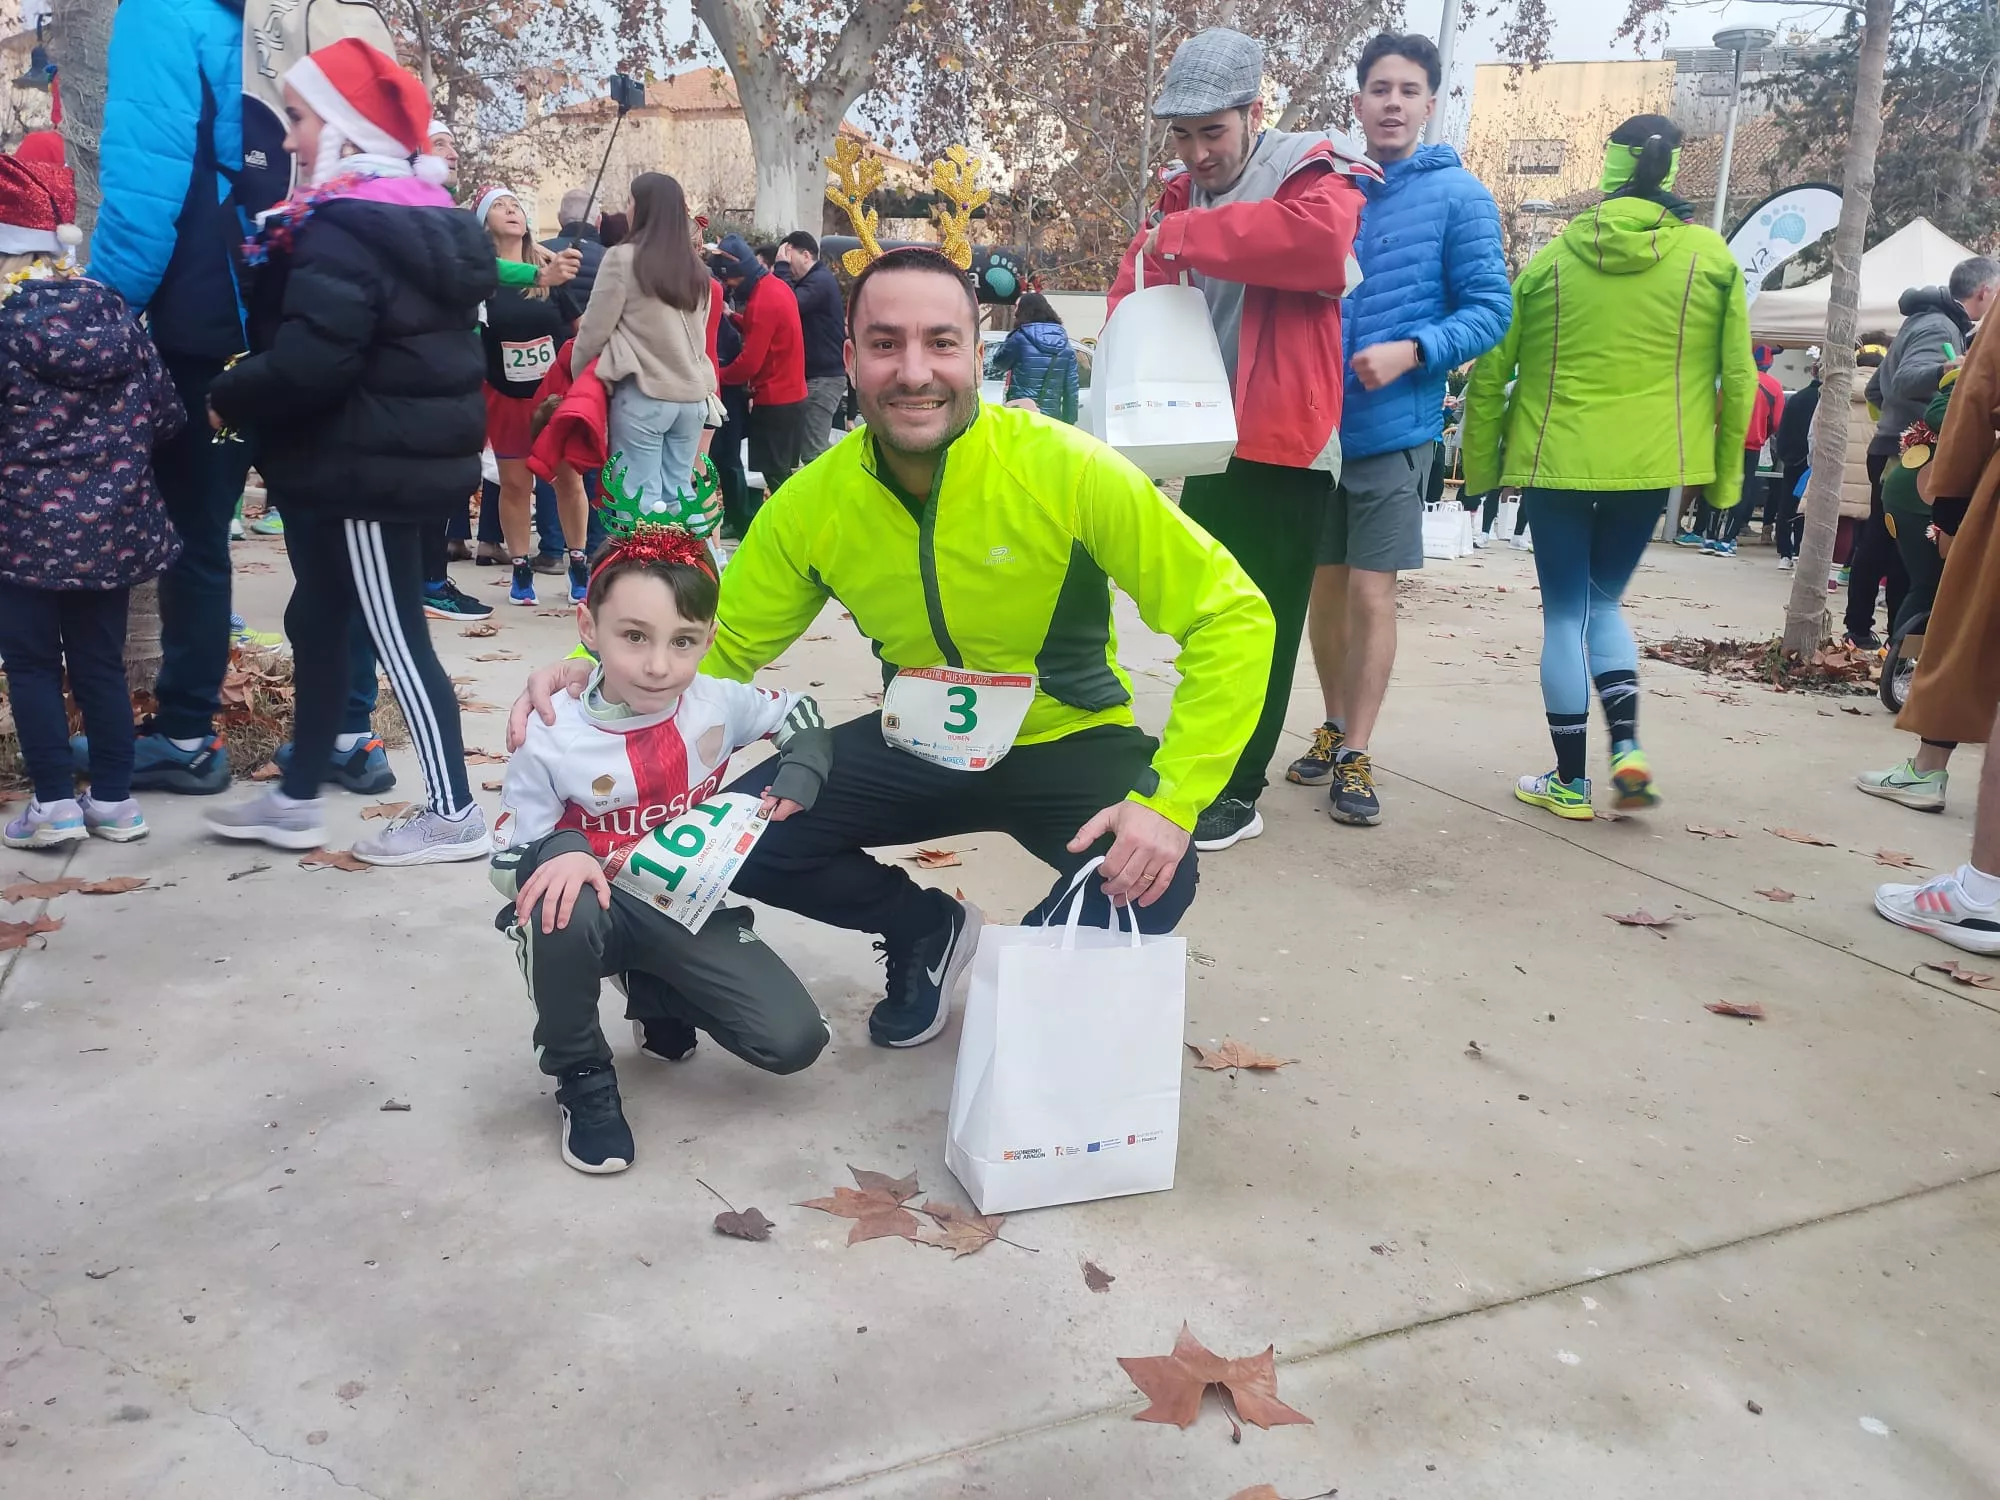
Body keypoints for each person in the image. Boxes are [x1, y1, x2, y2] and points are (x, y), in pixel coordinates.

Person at [512, 248, 1275, 1050]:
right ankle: (925, 930)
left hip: (1067, 738)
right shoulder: (815, 500)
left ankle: (1033, 988)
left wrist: (1171, 799)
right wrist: (603, 681)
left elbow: (1231, 616)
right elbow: (721, 640)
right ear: (850, 359)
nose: (915, 371)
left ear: (977, 355)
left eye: (941, 343)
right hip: (918, 741)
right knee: (732, 841)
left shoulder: (1068, 468)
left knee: (1153, 875)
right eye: (885, 344)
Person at [201, 38, 493, 865]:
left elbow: (315, 360)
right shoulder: (408, 217)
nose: (288, 139)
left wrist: (230, 391)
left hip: (369, 465)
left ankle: (454, 812)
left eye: (297, 118)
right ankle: (298, 797)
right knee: (319, 619)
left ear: (338, 125)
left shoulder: (342, 228)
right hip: (377, 456)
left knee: (394, 632)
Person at [493, 523, 832, 1173]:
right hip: (592, 906)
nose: (658, 665)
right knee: (561, 904)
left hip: (683, 900)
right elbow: (505, 859)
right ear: (588, 629)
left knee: (794, 1042)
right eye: (634, 636)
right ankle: (582, 1075)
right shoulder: (552, 731)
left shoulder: (716, 704)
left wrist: (803, 768)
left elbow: (799, 712)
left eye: (683, 641)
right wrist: (561, 849)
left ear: (708, 638)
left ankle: (654, 989)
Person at [1108, 26, 1371, 852]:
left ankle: (1237, 786)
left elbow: (1319, 249)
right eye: (1181, 136)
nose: (1196, 152)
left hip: (1281, 438)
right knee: (1210, 615)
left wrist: (1181, 237)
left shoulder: (1313, 170)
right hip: (1199, 431)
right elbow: (1137, 281)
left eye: (1211, 132)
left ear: (1254, 112)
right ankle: (1205, 761)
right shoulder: (1180, 191)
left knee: (1261, 617)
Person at [1462, 114, 1755, 821]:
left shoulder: (1549, 261)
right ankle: (1626, 746)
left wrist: (1480, 471)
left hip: (1557, 460)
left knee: (1566, 616)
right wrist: (1724, 480)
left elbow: (1491, 371)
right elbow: (1739, 376)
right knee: (1606, 604)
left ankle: (1570, 781)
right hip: (1652, 464)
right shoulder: (1710, 259)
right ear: (1675, 169)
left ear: (1612, 164)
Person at [1284, 31, 1510, 825]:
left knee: (1373, 593)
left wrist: (1416, 350)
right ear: (1358, 101)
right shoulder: (1329, 190)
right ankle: (1333, 722)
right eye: (1379, 88)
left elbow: (1491, 311)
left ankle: (1357, 755)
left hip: (1393, 429)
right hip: (1312, 430)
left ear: (1429, 103)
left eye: (1408, 90)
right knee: (1324, 588)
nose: (1392, 102)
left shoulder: (1461, 197)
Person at [85, 0, 255, 794]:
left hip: (207, 312)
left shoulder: (162, 11)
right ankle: (350, 728)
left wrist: (101, 307)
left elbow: (146, 175)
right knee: (330, 529)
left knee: (195, 530)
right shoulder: (284, 15)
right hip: (309, 311)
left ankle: (185, 732)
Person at [0, 154, 183, 848]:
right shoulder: (115, 317)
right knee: (99, 661)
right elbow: (167, 416)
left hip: (22, 528)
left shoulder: (4, 326)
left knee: (33, 664)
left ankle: (53, 804)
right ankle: (114, 798)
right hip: (112, 524)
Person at [1848, 260, 2000, 649]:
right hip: (1912, 457)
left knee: (1889, 547)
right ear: (1984, 292)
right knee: (1901, 553)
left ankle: (1881, 639)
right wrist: (1947, 372)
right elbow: (1904, 381)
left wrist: (1891, 426)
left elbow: (1876, 392)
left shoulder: (1924, 321)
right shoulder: (1940, 326)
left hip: (1896, 448)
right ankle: (1883, 640)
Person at [569, 173, 720, 513]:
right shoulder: (697, 269)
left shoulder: (623, 258)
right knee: (680, 501)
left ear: (643, 208)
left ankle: (641, 569)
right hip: (692, 400)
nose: (625, 209)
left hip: (644, 394)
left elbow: (594, 331)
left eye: (629, 201)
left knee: (638, 506)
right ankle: (687, 566)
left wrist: (580, 379)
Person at [478, 186, 591, 608]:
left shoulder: (549, 270)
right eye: (500, 207)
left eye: (516, 206)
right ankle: (521, 566)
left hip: (553, 396)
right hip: (504, 394)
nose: (511, 212)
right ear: (483, 222)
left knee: (568, 478)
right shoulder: (481, 275)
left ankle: (577, 561)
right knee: (514, 483)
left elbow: (580, 328)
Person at [714, 233, 809, 497]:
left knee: (776, 478)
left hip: (775, 402)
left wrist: (715, 376)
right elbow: (765, 332)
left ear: (738, 272)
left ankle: (793, 532)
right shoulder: (775, 287)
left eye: (728, 279)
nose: (727, 286)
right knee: (783, 475)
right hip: (793, 397)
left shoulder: (762, 300)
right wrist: (733, 316)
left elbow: (749, 364)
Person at [1687, 344, 1783, 556]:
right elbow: (1776, 422)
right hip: (1751, 446)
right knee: (1742, 492)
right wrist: (1761, 434)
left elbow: (1715, 413)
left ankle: (1709, 538)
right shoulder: (1775, 387)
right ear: (1769, 363)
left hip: (1725, 442)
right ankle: (1727, 541)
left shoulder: (1731, 381)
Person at [776, 230, 847, 461]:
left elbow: (788, 306)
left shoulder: (820, 281)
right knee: (812, 447)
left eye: (789, 257)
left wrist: (780, 270)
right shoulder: (813, 281)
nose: (786, 264)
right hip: (816, 377)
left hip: (824, 379)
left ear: (806, 255)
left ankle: (835, 493)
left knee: (813, 452)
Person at [989, 292, 1080, 423]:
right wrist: (1069, 421)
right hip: (1051, 419)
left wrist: (1008, 340)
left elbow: (999, 364)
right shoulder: (1065, 344)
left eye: (1017, 307)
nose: (1015, 312)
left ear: (1024, 311)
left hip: (1021, 415)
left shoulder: (1019, 338)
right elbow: (1071, 389)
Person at [1769, 349, 1820, 568]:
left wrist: (1787, 456)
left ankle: (1784, 553)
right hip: (1816, 462)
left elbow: (1783, 429)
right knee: (1807, 507)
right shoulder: (1829, 400)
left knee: (1787, 505)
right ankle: (1800, 549)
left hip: (1793, 460)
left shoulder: (1797, 398)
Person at [545, 186, 607, 324]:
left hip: (553, 341)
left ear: (559, 218)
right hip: (595, 342)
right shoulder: (610, 257)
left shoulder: (537, 253)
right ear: (599, 221)